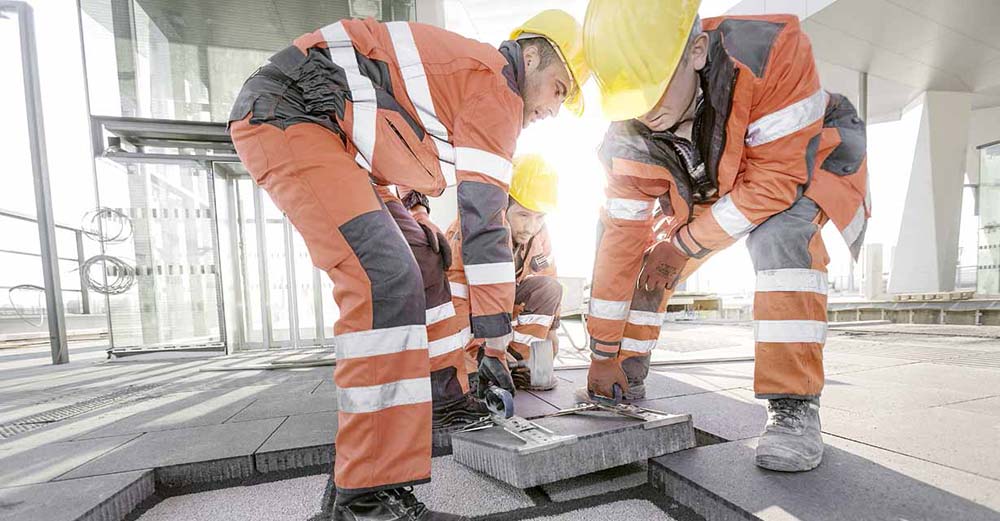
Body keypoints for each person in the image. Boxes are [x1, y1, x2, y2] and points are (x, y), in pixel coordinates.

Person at [227, 9, 588, 520]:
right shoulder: (495, 84)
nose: (553, 109)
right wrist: (494, 342)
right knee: (383, 281)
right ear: (530, 57)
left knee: (424, 257)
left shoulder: (465, 79)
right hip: (295, 114)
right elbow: (485, 220)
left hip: (342, 139)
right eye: (558, 89)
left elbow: (392, 125)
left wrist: (416, 213)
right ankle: (366, 500)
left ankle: (436, 407)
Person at [582, 0, 870, 473]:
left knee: (780, 237)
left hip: (798, 163)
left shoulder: (768, 52)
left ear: (697, 51)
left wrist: (684, 245)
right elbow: (619, 245)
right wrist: (603, 354)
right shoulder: (627, 142)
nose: (644, 110)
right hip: (715, 178)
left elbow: (775, 182)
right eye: (630, 98)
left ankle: (794, 406)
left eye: (652, 88)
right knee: (648, 263)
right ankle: (628, 371)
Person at [443, 154, 563, 393]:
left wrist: (553, 330)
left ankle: (517, 363)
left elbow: (549, 275)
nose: (531, 227)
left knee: (548, 289)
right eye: (523, 215)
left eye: (539, 217)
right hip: (466, 312)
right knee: (469, 376)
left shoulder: (539, 234)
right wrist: (482, 352)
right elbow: (456, 303)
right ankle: (485, 363)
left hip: (500, 306)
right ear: (504, 206)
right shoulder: (473, 233)